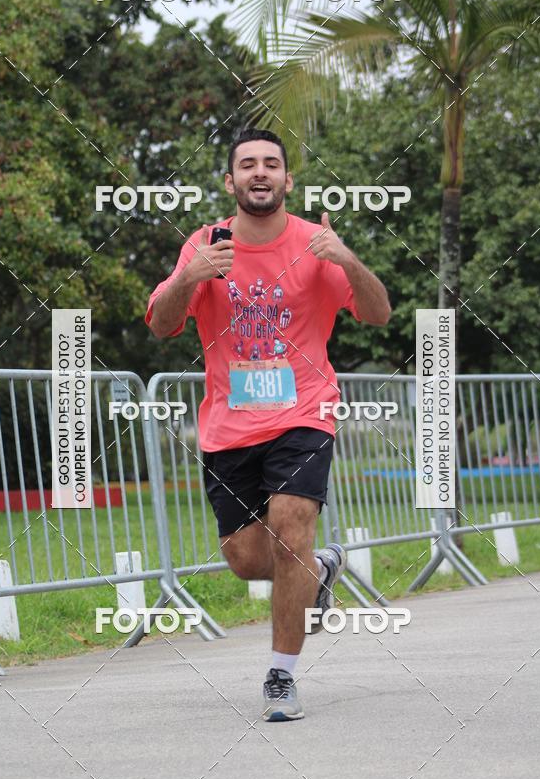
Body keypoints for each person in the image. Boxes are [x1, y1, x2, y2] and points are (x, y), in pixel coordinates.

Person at [145, 129, 391, 721]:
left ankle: (281, 676)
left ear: (287, 180)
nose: (261, 173)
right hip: (230, 426)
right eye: (248, 165)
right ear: (230, 182)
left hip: (304, 411)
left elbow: (379, 314)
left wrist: (348, 259)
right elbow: (161, 325)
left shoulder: (316, 244)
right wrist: (189, 276)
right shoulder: (204, 246)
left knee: (290, 527)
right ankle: (324, 567)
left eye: (272, 165)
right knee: (251, 559)